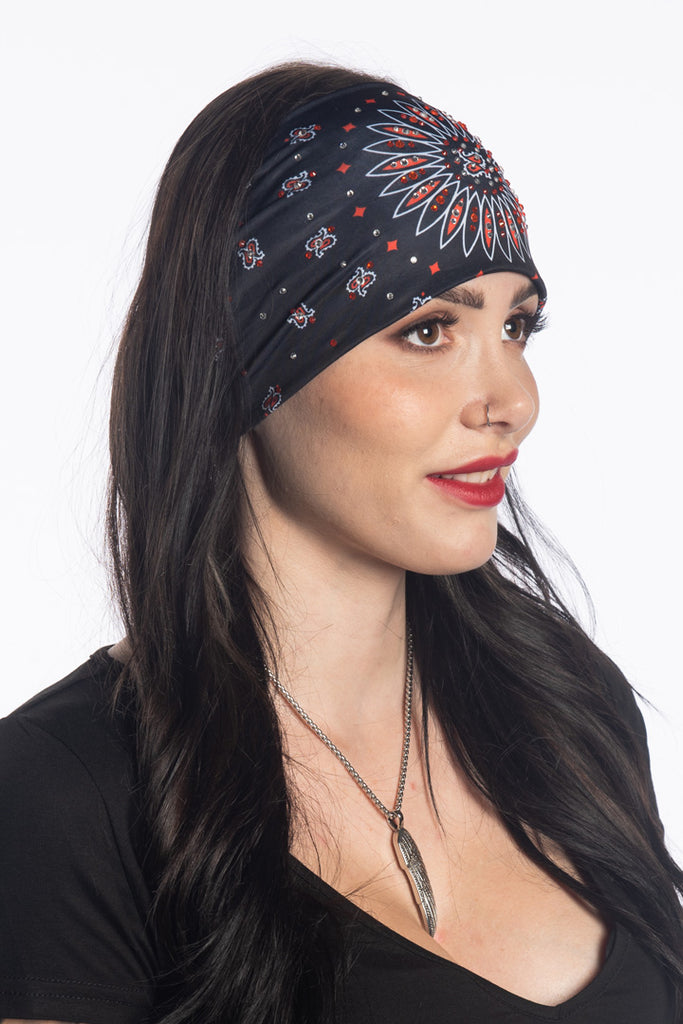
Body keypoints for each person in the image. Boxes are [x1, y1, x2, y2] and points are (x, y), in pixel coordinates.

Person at [1, 62, 681, 1024]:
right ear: (252, 358)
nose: (513, 401)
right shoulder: (64, 796)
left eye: (517, 327)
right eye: (428, 330)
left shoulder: (569, 709)